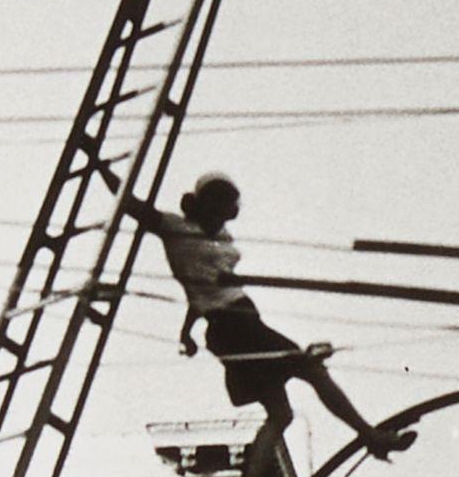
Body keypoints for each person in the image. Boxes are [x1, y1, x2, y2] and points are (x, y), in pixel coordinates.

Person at [123, 173, 398, 454]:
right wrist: (100, 166)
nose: (221, 220)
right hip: (234, 327)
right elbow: (132, 205)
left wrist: (186, 332)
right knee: (312, 370)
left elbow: (201, 293)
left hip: (241, 322)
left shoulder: (220, 235)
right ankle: (371, 436)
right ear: (204, 205)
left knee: (281, 414)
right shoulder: (173, 227)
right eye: (217, 210)